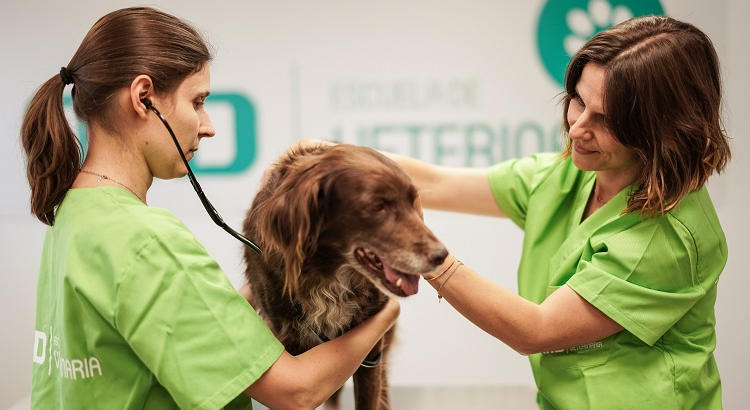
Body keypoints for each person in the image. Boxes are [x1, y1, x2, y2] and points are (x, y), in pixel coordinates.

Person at [304, 15, 731, 409]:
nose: (578, 128)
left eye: (607, 120)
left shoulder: (668, 237)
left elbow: (536, 330)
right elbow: (437, 184)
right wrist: (328, 157)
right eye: (578, 102)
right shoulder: (567, 177)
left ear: (660, 130)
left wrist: (422, 253)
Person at [22, 7, 399, 409]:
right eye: (197, 101)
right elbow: (296, 392)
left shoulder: (75, 213)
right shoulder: (148, 240)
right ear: (143, 97)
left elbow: (154, 333)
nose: (208, 125)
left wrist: (265, 282)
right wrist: (385, 310)